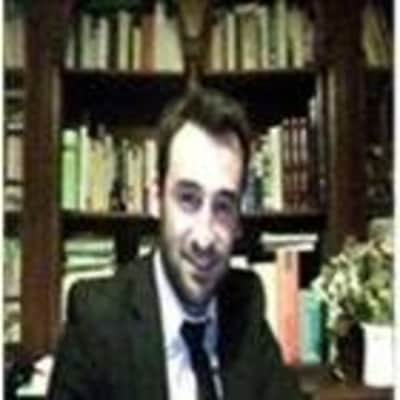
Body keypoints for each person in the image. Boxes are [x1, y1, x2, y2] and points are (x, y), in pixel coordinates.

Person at [48, 87, 303, 400]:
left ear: (239, 218)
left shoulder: (245, 304)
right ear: (156, 199)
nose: (204, 238)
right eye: (188, 199)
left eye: (223, 206)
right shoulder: (98, 319)